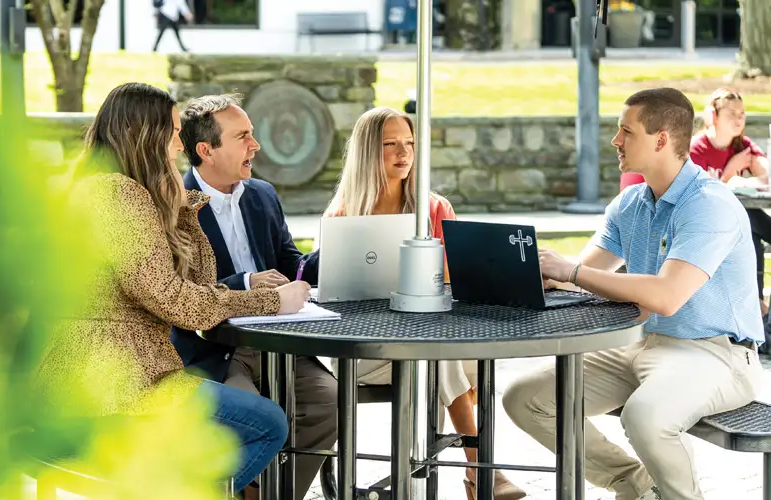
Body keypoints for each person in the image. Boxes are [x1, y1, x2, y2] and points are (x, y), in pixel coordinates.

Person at [33, 82, 311, 493]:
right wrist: (272, 300)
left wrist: (182, 206)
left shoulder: (101, 188)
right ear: (145, 135)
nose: (181, 145)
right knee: (268, 423)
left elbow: (194, 284)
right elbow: (176, 301)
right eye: (175, 132)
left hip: (112, 381)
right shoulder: (117, 195)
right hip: (116, 390)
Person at [503, 88, 764, 500]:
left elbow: (667, 295)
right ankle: (635, 485)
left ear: (661, 139)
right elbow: (586, 272)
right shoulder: (631, 203)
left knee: (646, 417)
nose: (615, 141)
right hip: (639, 344)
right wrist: (540, 272)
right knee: (525, 399)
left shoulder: (709, 205)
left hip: (717, 353)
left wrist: (571, 271)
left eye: (626, 131)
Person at [323, 106, 526, 500]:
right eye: (390, 145)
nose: (404, 153)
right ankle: (481, 469)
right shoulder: (344, 214)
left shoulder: (434, 209)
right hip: (367, 350)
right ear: (368, 151)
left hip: (427, 339)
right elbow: (335, 297)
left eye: (410, 144)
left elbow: (453, 285)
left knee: (464, 358)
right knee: (447, 357)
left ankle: (463, 470)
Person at [172, 93, 335, 500]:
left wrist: (339, 252)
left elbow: (290, 264)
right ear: (206, 150)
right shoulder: (172, 204)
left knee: (330, 402)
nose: (255, 145)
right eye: (243, 136)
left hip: (282, 341)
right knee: (251, 418)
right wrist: (245, 281)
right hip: (216, 346)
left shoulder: (263, 194)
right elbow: (180, 291)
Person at [689, 87, 771, 316]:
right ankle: (758, 308)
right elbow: (697, 196)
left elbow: (766, 174)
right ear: (713, 117)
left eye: (742, 113)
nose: (739, 119)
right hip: (706, 224)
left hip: (740, 221)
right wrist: (730, 171)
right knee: (747, 220)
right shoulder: (697, 149)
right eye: (731, 113)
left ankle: (758, 307)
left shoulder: (742, 145)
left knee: (750, 229)